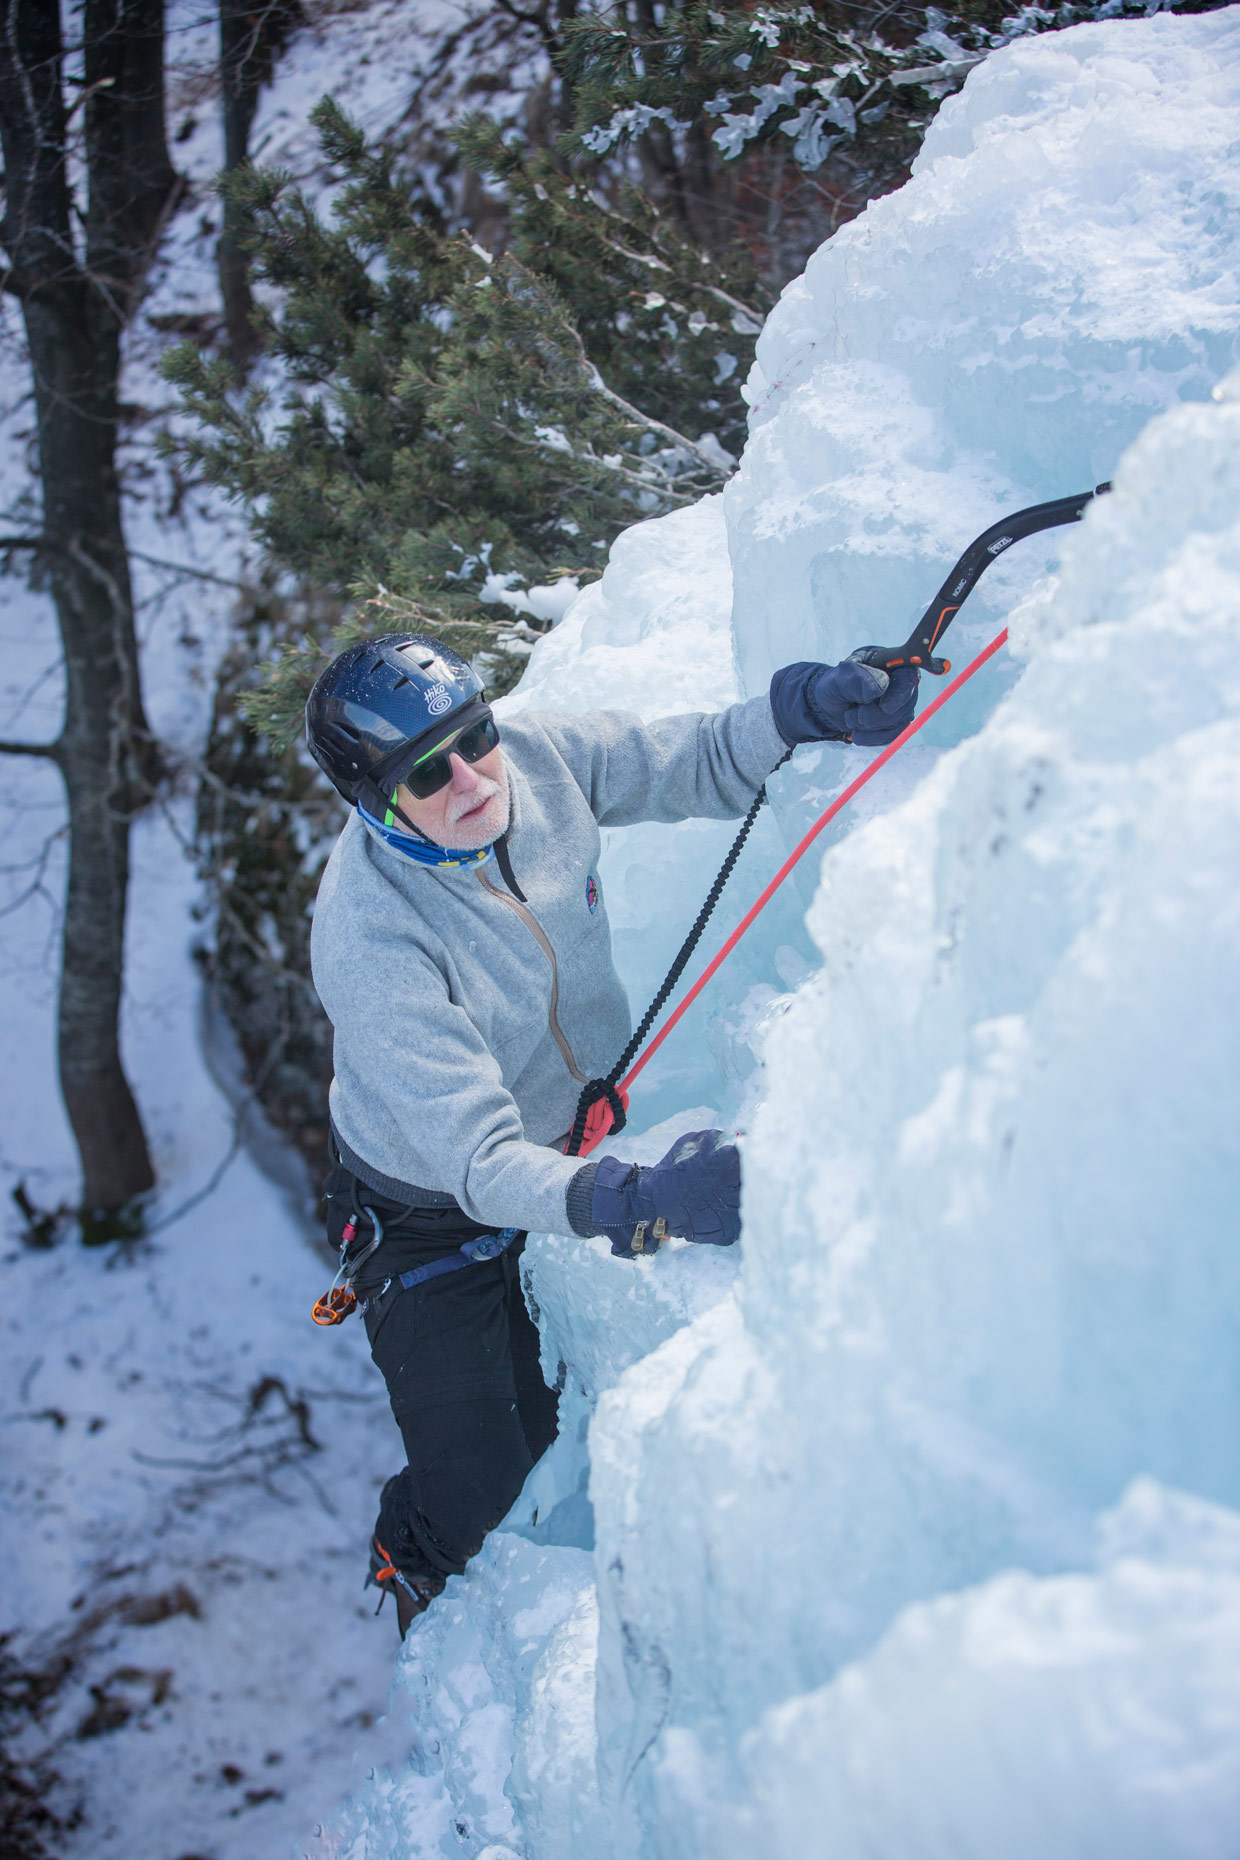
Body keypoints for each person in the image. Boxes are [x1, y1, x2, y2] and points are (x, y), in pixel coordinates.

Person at [305, 631, 917, 1635]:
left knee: (548, 1411)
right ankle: (407, 1561)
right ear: (375, 800)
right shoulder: (372, 938)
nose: (471, 779)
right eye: (427, 771)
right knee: (482, 1479)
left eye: (476, 737)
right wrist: (634, 1201)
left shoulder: (532, 762)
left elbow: (697, 759)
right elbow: (476, 1162)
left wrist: (803, 705)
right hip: (426, 1213)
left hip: (563, 1145)